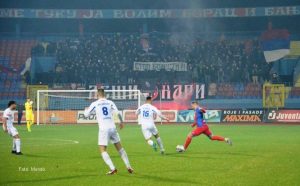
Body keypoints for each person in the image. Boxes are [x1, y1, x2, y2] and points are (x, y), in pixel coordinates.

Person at [84, 88, 133, 175]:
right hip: (112, 127)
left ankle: (113, 168)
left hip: (104, 129)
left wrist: (86, 109)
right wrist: (121, 122)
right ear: (104, 94)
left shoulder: (95, 104)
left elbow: (86, 115)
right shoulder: (110, 102)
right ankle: (129, 166)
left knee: (102, 150)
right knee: (120, 148)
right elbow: (117, 113)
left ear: (97, 95)